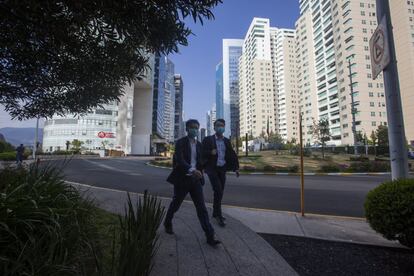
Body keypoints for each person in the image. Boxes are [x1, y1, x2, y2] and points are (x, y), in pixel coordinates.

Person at [164, 119, 221, 247]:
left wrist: (209, 162)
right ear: (187, 129)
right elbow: (180, 159)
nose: (194, 130)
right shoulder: (180, 143)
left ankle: (210, 235)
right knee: (176, 204)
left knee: (202, 208)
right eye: (192, 127)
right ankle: (167, 222)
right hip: (183, 179)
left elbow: (201, 162)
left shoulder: (200, 145)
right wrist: (192, 170)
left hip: (195, 181)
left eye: (196, 127)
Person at [202, 119, 239, 227]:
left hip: (222, 169)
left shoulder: (226, 141)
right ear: (214, 128)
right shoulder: (208, 140)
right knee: (218, 190)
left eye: (222, 125)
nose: (220, 127)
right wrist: (210, 152)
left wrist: (236, 168)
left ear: (224, 127)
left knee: (220, 192)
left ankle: (215, 212)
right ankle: (219, 215)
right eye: (218, 125)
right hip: (212, 169)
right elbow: (202, 152)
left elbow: (232, 155)